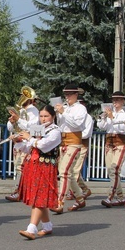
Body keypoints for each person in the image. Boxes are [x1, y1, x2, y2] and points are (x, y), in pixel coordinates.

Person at [14, 105, 62, 239]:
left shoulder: (56, 131)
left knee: (39, 196)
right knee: (39, 195)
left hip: (46, 166)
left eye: (46, 116)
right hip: (33, 165)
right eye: (41, 116)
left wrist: (29, 137)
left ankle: (31, 228)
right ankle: (47, 226)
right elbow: (28, 148)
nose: (43, 119)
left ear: (53, 117)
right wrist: (18, 141)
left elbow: (43, 146)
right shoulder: (37, 128)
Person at [53, 83, 88, 213]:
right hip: (64, 141)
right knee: (69, 174)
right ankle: (80, 198)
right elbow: (60, 125)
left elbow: (77, 125)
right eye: (65, 94)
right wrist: (57, 114)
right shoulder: (66, 108)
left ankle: (59, 202)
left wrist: (63, 113)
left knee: (64, 172)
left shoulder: (80, 109)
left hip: (74, 141)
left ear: (76, 95)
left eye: (69, 94)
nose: (67, 97)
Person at [96, 91, 125, 209]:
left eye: (117, 100)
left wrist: (112, 117)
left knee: (114, 169)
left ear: (123, 101)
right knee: (111, 171)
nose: (115, 102)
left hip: (120, 143)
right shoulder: (110, 113)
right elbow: (102, 127)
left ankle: (110, 197)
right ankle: (120, 197)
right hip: (109, 143)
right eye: (114, 100)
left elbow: (122, 129)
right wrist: (103, 118)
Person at [5, 90, 39, 202]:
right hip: (18, 142)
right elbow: (10, 128)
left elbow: (32, 127)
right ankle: (21, 190)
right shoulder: (20, 110)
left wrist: (18, 119)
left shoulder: (33, 110)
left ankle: (20, 191)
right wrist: (12, 121)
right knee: (18, 167)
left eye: (23, 97)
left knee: (22, 167)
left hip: (26, 142)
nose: (21, 99)